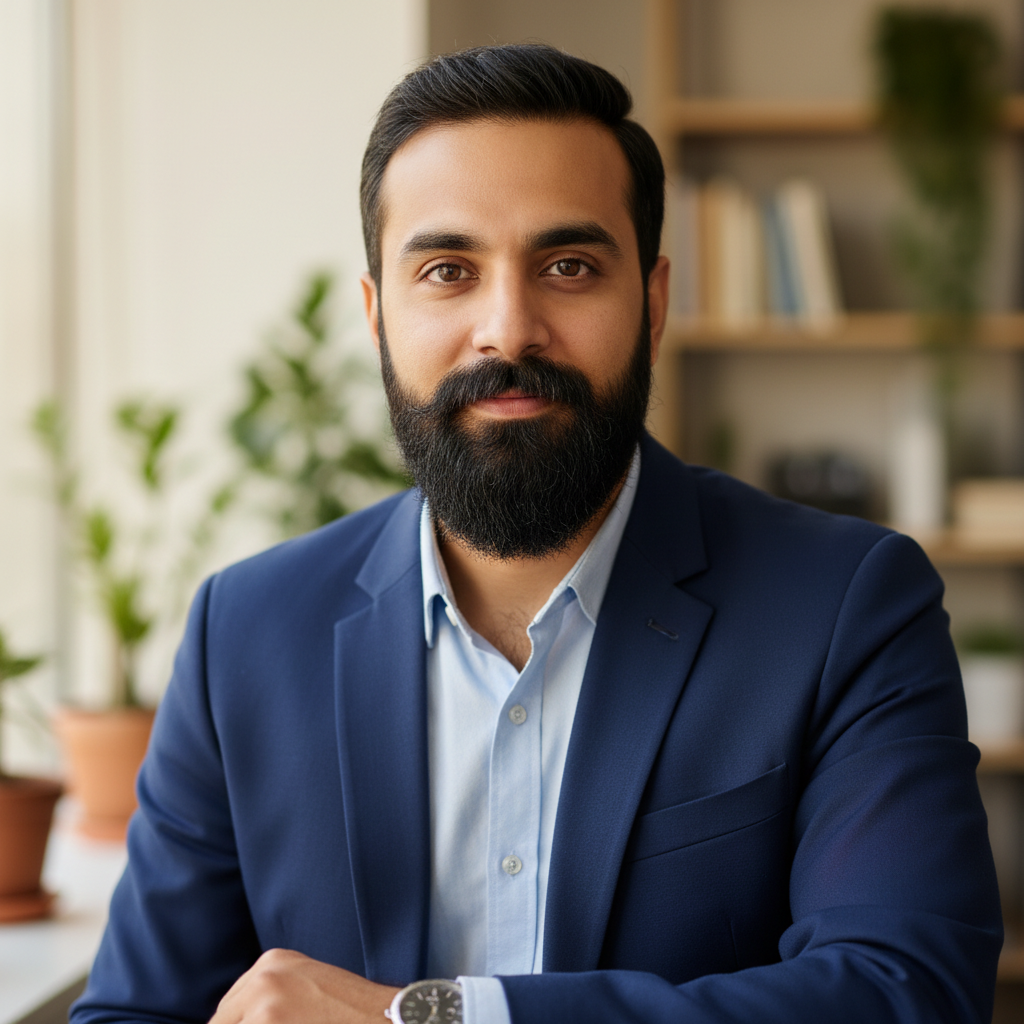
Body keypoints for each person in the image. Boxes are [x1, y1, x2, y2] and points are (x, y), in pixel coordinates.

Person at [72, 44, 1001, 1024]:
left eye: (567, 266)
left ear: (651, 300)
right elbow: (137, 1012)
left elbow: (907, 992)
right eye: (446, 270)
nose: (507, 329)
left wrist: (436, 1016)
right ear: (376, 313)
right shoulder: (244, 631)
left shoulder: (846, 602)